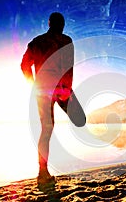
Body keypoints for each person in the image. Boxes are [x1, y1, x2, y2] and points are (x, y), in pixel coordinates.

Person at [21, 12, 86, 185]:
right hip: (52, 90)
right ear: (53, 24)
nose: (61, 26)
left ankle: (42, 171)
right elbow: (68, 68)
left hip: (53, 90)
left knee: (61, 125)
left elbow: (25, 65)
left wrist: (35, 84)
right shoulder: (57, 41)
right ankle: (43, 172)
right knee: (48, 129)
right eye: (60, 23)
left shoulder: (63, 41)